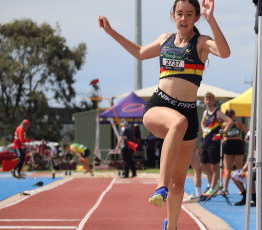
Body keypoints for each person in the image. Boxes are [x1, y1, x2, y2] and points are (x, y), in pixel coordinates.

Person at [98, 0, 230, 228]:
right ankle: (161, 186)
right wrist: (111, 32)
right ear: (173, 15)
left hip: (188, 115)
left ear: (196, 18)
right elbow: (139, 53)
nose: (184, 19)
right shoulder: (164, 39)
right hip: (159, 106)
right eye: (180, 14)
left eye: (190, 15)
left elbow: (225, 53)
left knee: (178, 183)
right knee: (176, 124)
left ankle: (172, 226)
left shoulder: (200, 43)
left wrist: (211, 19)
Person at [200, 92, 233, 197]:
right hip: (206, 141)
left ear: (214, 101)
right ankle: (214, 183)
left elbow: (230, 121)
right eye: (206, 99)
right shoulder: (205, 112)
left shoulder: (217, 112)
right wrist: (203, 131)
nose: (208, 101)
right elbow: (202, 122)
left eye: (210, 99)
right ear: (204, 101)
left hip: (215, 142)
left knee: (215, 166)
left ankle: (212, 187)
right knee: (203, 165)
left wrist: (222, 133)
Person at [222, 109, 249, 194]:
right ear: (233, 115)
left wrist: (223, 139)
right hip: (236, 144)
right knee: (239, 169)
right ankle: (241, 189)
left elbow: (220, 134)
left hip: (228, 144)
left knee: (228, 169)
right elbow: (248, 132)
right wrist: (246, 138)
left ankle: (225, 188)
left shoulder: (224, 124)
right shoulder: (238, 124)